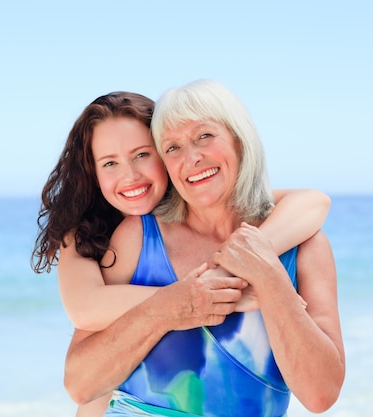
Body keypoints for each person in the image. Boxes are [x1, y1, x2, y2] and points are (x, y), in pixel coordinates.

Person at [31, 91, 331, 416]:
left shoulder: (271, 225)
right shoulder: (91, 235)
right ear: (92, 172)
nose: (130, 175)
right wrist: (196, 298)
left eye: (142, 154)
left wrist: (242, 272)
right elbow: (85, 313)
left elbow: (313, 201)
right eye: (110, 163)